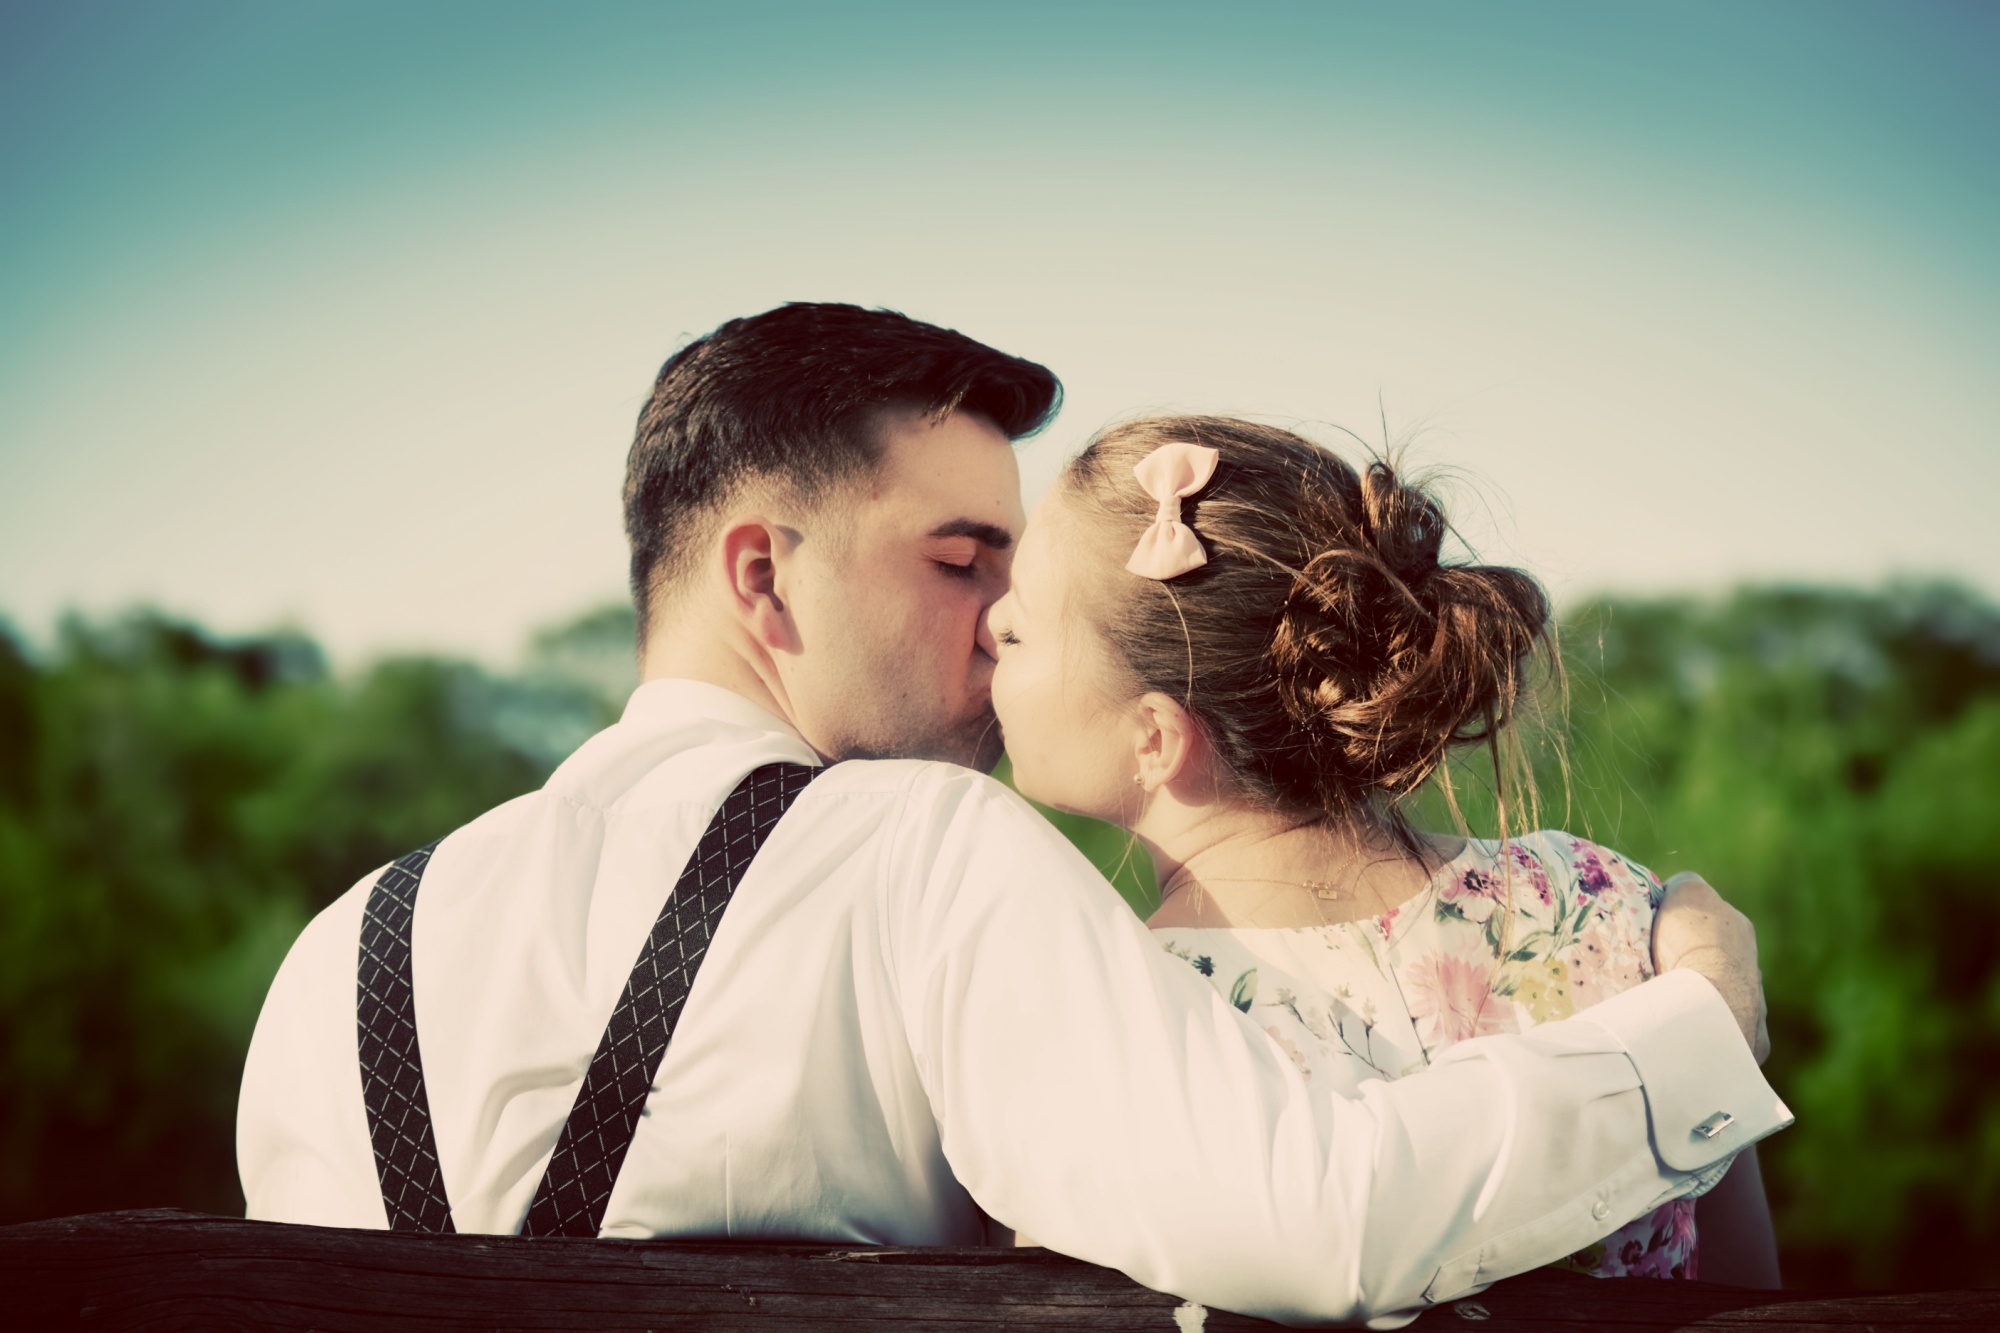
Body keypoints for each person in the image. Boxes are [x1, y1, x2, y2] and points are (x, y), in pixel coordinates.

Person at [238, 303, 1789, 1326]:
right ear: (763, 574)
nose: (999, 621)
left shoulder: (330, 960)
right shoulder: (927, 853)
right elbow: (1318, 1211)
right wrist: (1694, 1028)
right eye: (959, 556)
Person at [987, 415, 1784, 1288]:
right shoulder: (1608, 900)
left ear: (1153, 738)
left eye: (1018, 629)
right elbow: (1746, 1287)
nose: (988, 627)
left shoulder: (1121, 1020)